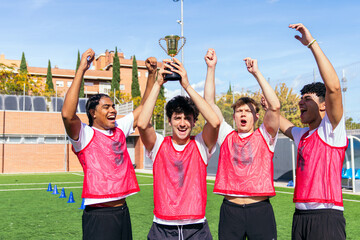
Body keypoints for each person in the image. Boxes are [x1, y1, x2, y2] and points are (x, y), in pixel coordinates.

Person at [61, 48, 157, 240]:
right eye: (106, 107)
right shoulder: (84, 134)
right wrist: (81, 69)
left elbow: (144, 107)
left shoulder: (119, 127)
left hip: (123, 210)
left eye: (113, 106)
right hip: (99, 215)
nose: (113, 109)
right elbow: (67, 114)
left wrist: (152, 75)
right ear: (93, 113)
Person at [137, 57, 220, 240]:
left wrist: (187, 85)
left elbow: (214, 122)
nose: (182, 123)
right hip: (162, 228)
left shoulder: (200, 144)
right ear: (169, 121)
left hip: (196, 228)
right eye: (177, 118)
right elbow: (142, 124)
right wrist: (158, 83)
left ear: (193, 122)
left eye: (187, 118)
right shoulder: (159, 144)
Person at [279, 23, 347, 240]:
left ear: (324, 105)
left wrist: (311, 44)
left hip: (326, 215)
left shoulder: (332, 129)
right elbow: (277, 117)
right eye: (301, 99)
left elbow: (334, 88)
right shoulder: (302, 135)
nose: (301, 103)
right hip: (300, 216)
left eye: (308, 99)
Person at [203, 48, 281, 240]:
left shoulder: (266, 135)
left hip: (260, 211)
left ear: (256, 116)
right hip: (231, 211)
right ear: (234, 116)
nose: (243, 114)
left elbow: (275, 106)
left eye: (248, 111)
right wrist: (211, 68)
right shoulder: (227, 135)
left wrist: (256, 73)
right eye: (239, 111)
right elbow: (209, 103)